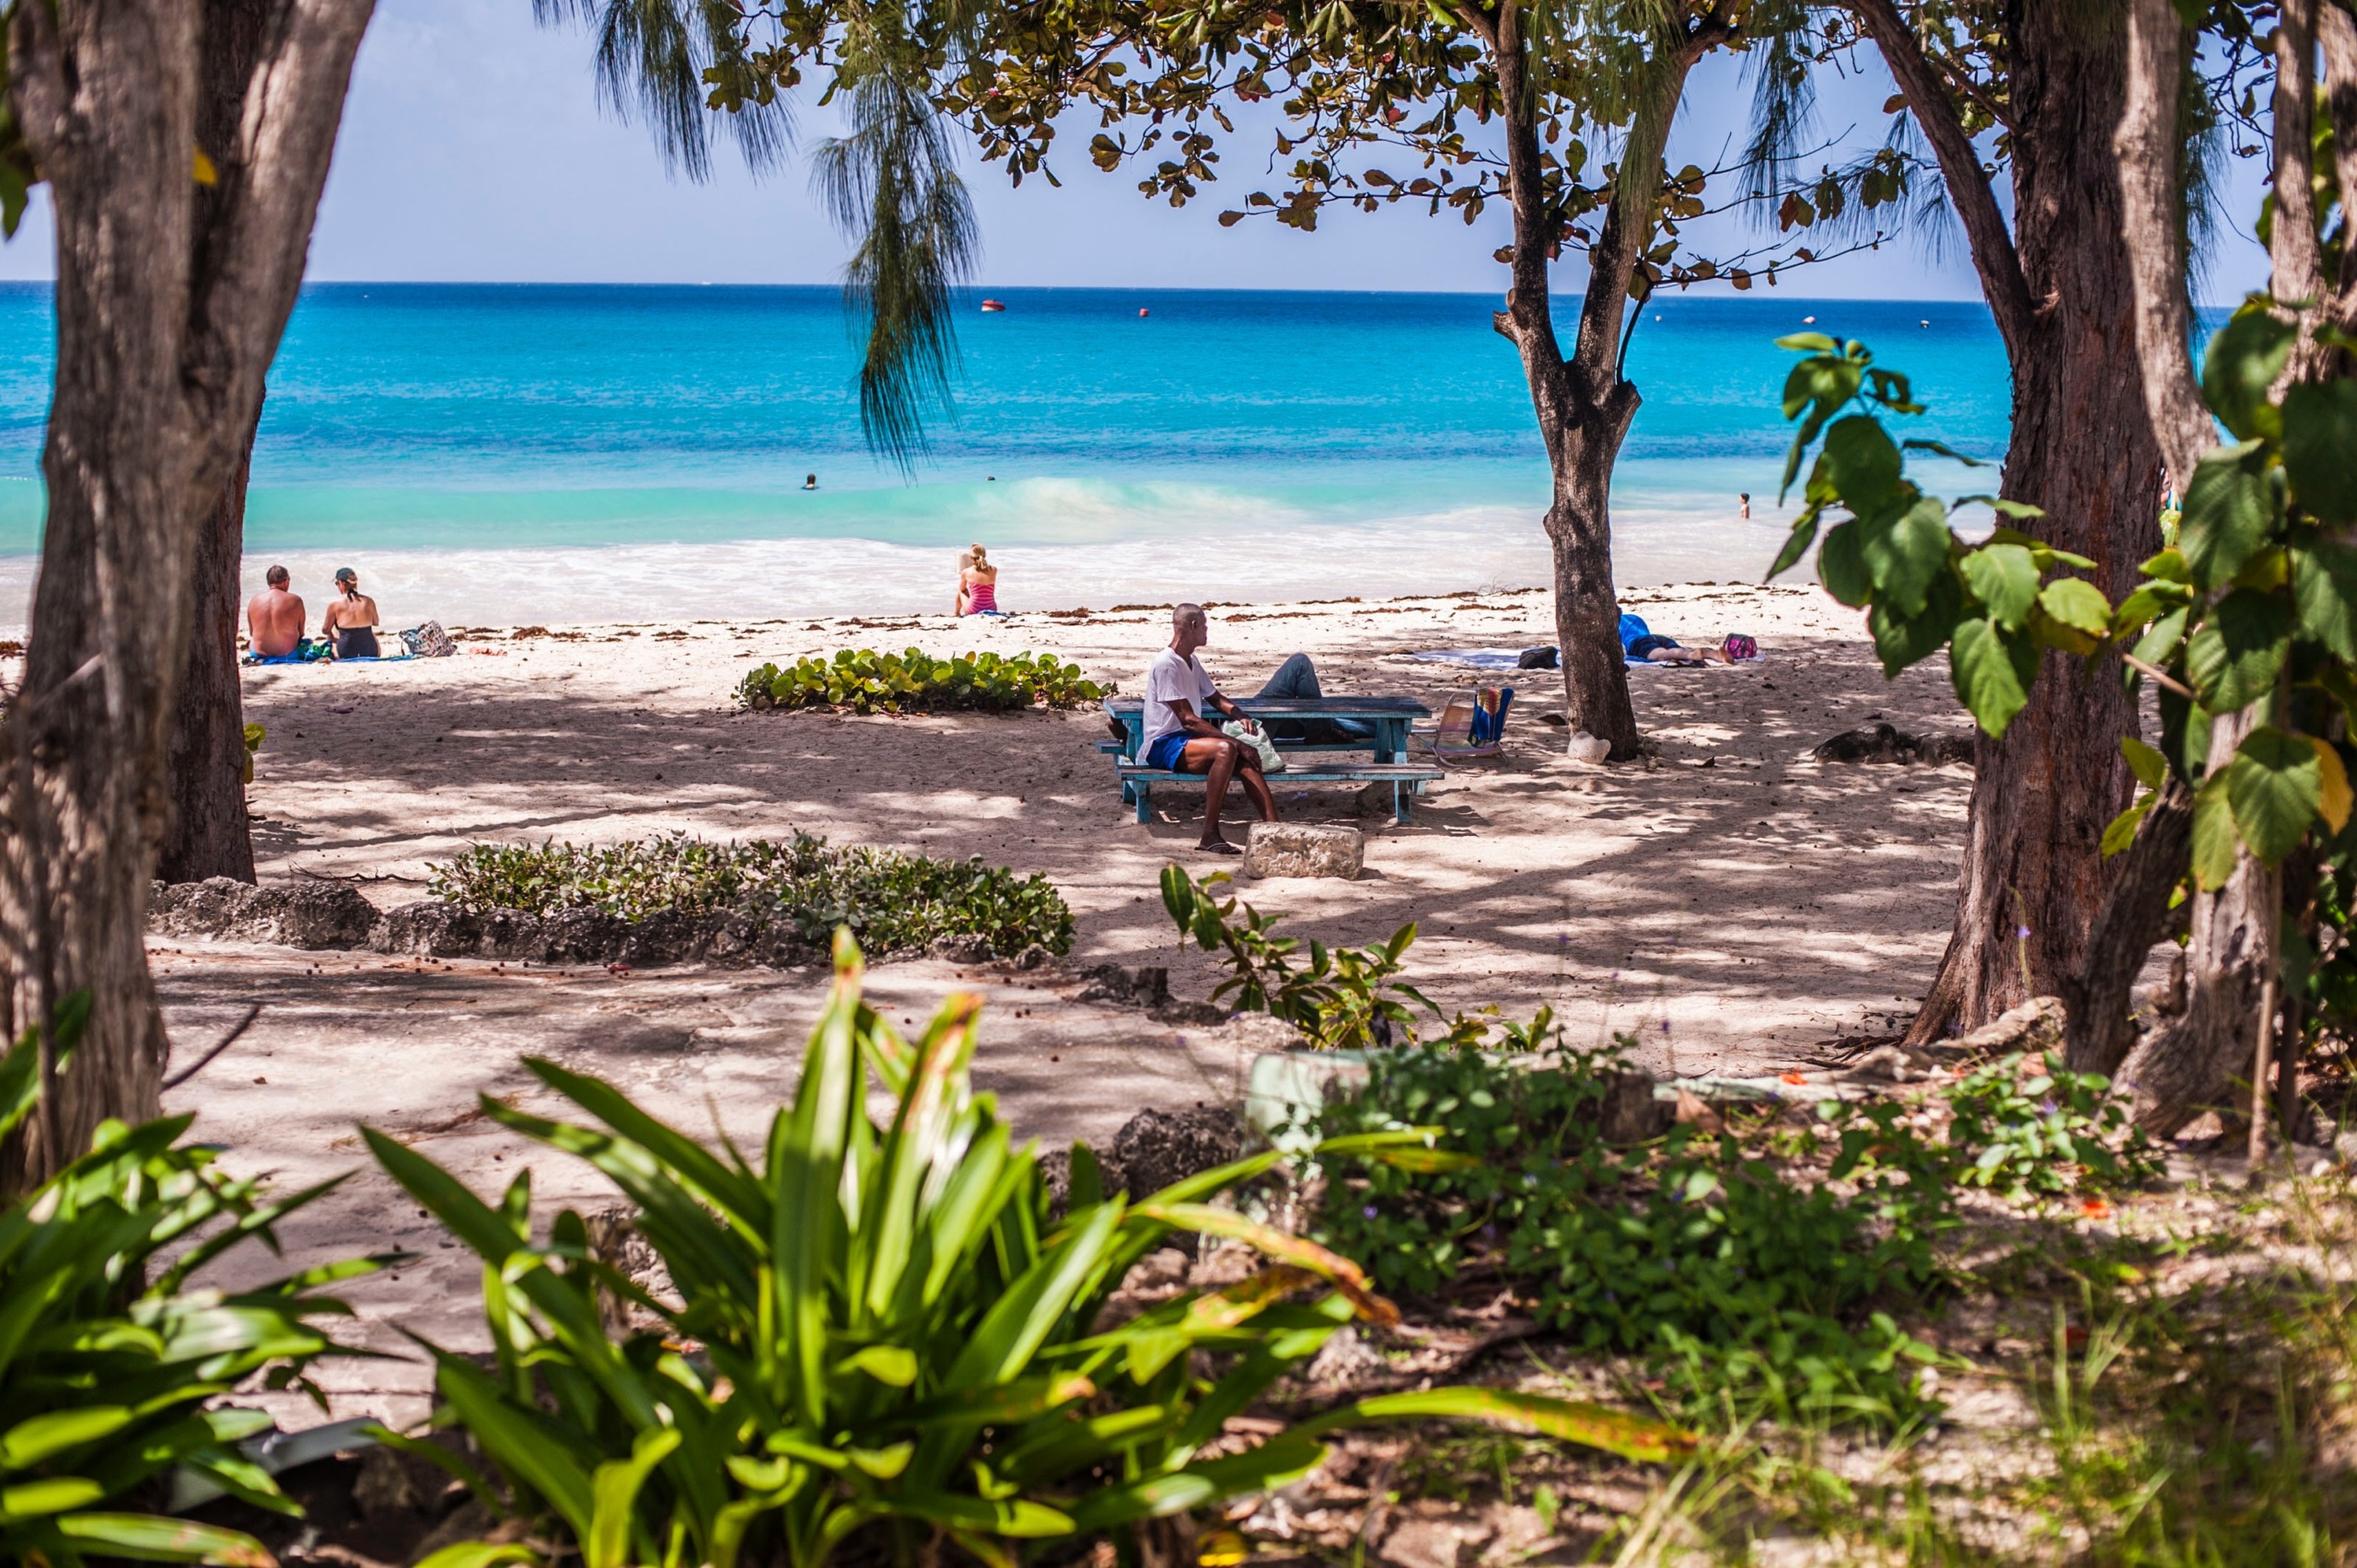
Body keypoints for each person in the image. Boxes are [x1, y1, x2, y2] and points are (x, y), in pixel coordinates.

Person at [1143, 603, 1278, 854]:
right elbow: (1187, 720)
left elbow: (1215, 698)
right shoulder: (1166, 663)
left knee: (1246, 763)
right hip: (1163, 744)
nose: (1207, 630)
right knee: (1228, 749)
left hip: (1189, 742)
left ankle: (1277, 830)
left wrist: (1240, 715)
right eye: (1204, 624)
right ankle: (1209, 834)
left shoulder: (1191, 661)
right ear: (1193, 626)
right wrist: (1238, 743)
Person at [1254, 652, 1372, 743]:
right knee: (1299, 662)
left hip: (1256, 722)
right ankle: (1320, 729)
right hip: (1253, 725)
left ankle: (1320, 727)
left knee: (1327, 716)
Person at [1620, 611, 1736, 666]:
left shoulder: (1612, 624)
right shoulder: (1633, 617)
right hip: (1656, 638)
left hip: (1637, 642)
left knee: (1660, 655)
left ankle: (1693, 654)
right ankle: (1713, 654)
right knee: (1677, 652)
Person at [245, 564, 306, 658]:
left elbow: (252, 633)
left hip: (258, 653)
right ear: (286, 581)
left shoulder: (254, 600)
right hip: (288, 654)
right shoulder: (295, 600)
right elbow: (301, 633)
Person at [322, 566, 382, 659]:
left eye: (336, 583)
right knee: (368, 630)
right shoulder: (368, 601)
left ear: (341, 583)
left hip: (346, 651)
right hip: (370, 650)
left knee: (333, 629)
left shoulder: (334, 604)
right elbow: (376, 622)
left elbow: (325, 630)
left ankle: (336, 655)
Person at [961, 543, 1001, 615]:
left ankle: (956, 613)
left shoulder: (966, 572)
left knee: (961, 590)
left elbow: (962, 589)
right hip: (992, 608)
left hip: (973, 610)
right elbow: (981, 570)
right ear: (984, 555)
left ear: (971, 557)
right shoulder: (994, 570)